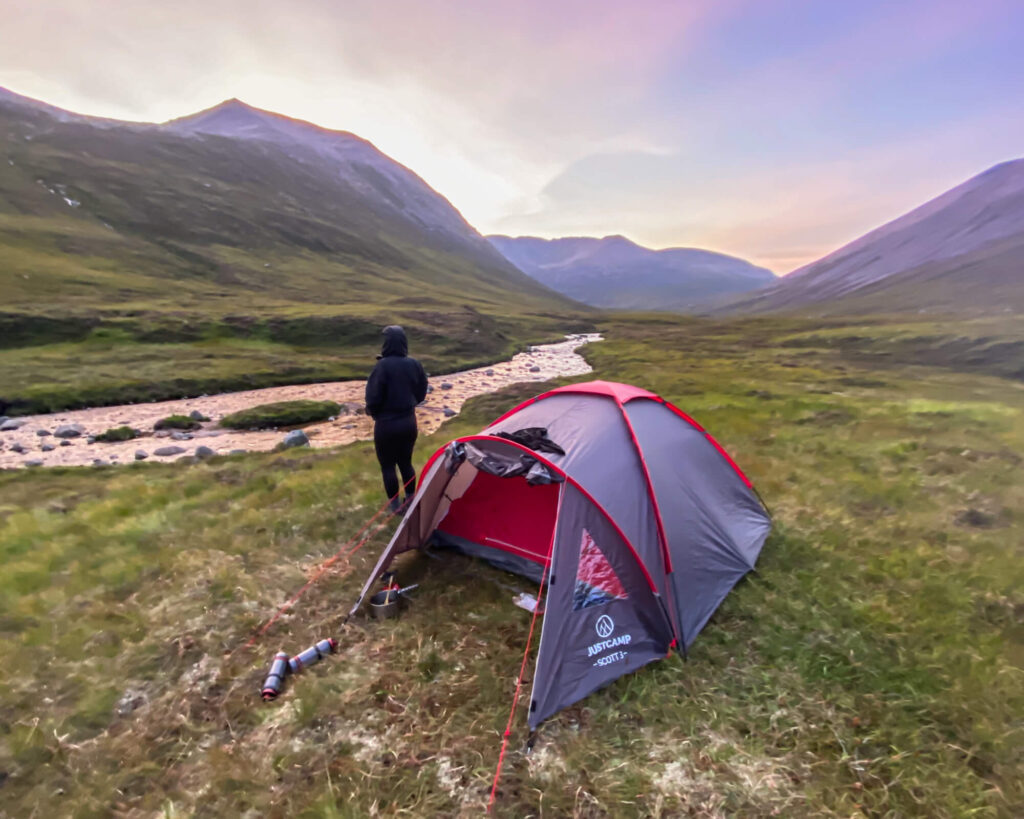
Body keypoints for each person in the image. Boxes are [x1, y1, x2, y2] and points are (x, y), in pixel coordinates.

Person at [365, 325, 428, 512]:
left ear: (387, 343)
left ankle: (395, 507)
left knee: (388, 466)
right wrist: (412, 402)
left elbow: (373, 397)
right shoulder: (414, 364)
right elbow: (422, 390)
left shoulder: (382, 366)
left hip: (386, 424)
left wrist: (372, 412)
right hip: (409, 422)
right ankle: (410, 500)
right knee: (406, 462)